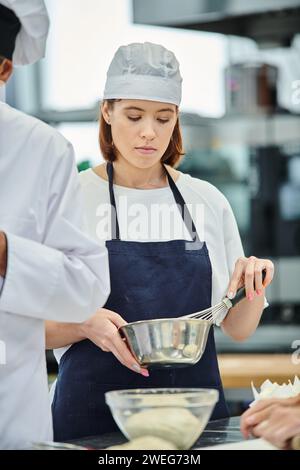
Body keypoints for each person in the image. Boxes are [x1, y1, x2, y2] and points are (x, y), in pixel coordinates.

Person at [46, 42, 274, 441]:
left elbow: (237, 327)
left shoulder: (207, 200)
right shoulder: (68, 198)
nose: (149, 132)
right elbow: (25, 327)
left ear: (176, 119)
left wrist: (251, 283)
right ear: (107, 111)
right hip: (88, 427)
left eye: (163, 118)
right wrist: (84, 324)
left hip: (195, 425)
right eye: (133, 116)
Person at [0, 0, 110, 449]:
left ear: (4, 69)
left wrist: (7, 252)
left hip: (9, 415)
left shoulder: (41, 149)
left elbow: (86, 286)